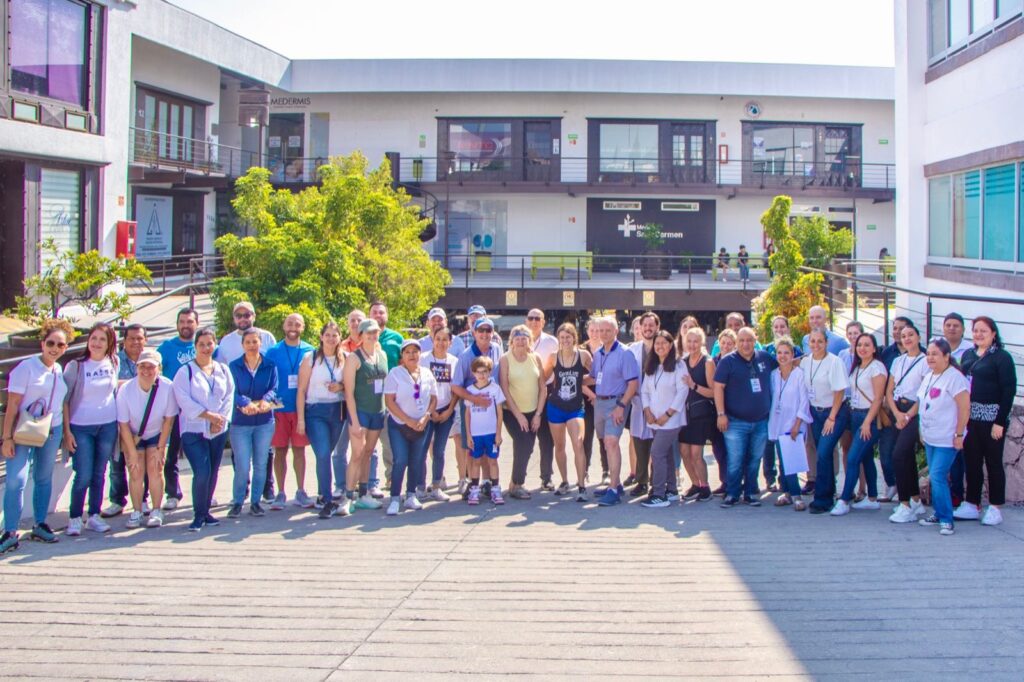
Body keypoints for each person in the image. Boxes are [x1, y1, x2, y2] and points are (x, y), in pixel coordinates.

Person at [1, 319, 72, 553]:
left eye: (60, 345)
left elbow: (62, 403)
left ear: (65, 348)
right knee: (16, 480)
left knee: (43, 477)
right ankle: (10, 531)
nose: (55, 348)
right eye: (51, 343)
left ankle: (40, 524)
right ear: (42, 343)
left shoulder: (58, 369)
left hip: (51, 430)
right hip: (23, 430)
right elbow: (12, 405)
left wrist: (66, 432)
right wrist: (6, 438)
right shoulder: (26, 368)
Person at [955, 317, 1018, 526]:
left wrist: (1000, 421)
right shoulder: (968, 354)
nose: (979, 334)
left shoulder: (1002, 357)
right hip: (970, 419)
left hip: (992, 420)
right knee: (972, 462)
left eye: (984, 331)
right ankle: (972, 504)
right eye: (976, 330)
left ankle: (995, 507)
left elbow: (1009, 390)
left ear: (993, 333)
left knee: (993, 463)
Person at [172, 328, 234, 532]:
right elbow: (183, 399)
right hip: (194, 429)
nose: (206, 348)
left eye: (209, 344)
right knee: (202, 471)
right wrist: (209, 416)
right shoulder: (185, 372)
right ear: (195, 346)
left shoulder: (223, 369)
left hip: (218, 429)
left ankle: (206, 511)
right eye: (202, 344)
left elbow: (229, 396)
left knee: (213, 470)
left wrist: (220, 419)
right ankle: (198, 515)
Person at [62, 322, 120, 536]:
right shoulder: (76, 366)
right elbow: (65, 401)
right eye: (93, 338)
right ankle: (75, 516)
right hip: (81, 427)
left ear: (109, 343)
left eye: (102, 339)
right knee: (83, 474)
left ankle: (94, 515)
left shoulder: (114, 362)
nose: (97, 343)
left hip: (107, 425)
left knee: (99, 473)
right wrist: (67, 432)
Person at [217, 301, 278, 502]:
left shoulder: (267, 337)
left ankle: (266, 490)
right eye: (239, 315)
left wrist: (265, 401)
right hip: (240, 410)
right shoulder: (226, 342)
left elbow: (272, 378)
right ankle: (241, 492)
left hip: (263, 411)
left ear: (254, 316)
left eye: (247, 314)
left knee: (264, 455)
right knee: (241, 459)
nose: (243, 318)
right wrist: (243, 402)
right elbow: (224, 377)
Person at [713, 327, 777, 508]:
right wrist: (721, 414)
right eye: (741, 340)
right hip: (735, 422)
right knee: (735, 460)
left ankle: (750, 493)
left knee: (755, 459)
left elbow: (784, 367)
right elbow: (718, 387)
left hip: (761, 421)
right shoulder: (727, 361)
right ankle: (732, 494)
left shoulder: (765, 358)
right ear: (737, 342)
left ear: (755, 341)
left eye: (749, 340)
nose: (745, 344)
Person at [115, 349, 178, 529]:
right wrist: (132, 452)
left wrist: (161, 448)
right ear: (137, 368)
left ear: (159, 368)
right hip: (133, 434)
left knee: (155, 469)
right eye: (142, 366)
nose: (146, 371)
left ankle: (156, 510)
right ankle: (136, 511)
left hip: (157, 432)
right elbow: (123, 424)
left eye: (151, 367)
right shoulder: (126, 389)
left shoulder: (167, 387)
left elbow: (169, 420)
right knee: (135, 471)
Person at [916, 339, 971, 536]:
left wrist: (959, 434)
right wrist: (922, 430)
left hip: (948, 438)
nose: (930, 357)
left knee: (938, 475)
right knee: (935, 475)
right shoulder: (929, 376)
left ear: (946, 356)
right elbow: (923, 404)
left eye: (935, 354)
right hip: (931, 436)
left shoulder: (955, 378)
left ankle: (947, 519)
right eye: (928, 354)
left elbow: (964, 408)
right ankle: (938, 513)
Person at [830, 333, 887, 516]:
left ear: (874, 348)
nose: (862, 348)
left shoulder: (877, 368)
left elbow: (878, 398)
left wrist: (867, 422)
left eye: (867, 345)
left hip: (868, 417)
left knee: (853, 458)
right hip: (855, 415)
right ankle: (872, 498)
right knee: (866, 457)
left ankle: (844, 499)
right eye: (859, 345)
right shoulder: (858, 366)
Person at [297, 321, 347, 518]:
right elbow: (301, 390)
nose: (331, 339)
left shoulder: (345, 358)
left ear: (340, 337)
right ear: (321, 337)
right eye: (327, 335)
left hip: (337, 411)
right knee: (323, 453)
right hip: (315, 411)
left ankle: (321, 493)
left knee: (327, 453)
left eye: (335, 335)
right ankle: (327, 499)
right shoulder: (310, 358)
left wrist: (340, 386)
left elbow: (350, 384)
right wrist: (301, 419)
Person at [264, 313, 315, 510]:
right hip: (279, 409)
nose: (293, 327)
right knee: (280, 450)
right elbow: (267, 379)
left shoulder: (310, 350)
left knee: (300, 450)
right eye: (290, 323)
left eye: (297, 324)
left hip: (301, 408)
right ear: (284, 326)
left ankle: (301, 491)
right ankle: (280, 492)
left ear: (303, 327)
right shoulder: (273, 351)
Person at [227, 330, 279, 518]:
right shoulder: (234, 366)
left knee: (260, 463)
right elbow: (231, 391)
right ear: (242, 344)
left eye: (254, 342)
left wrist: (266, 400)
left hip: (264, 421)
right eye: (248, 342)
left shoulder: (270, 365)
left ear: (260, 343)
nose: (251, 345)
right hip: (240, 422)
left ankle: (256, 502)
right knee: (242, 465)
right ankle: (238, 501)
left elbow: (274, 388)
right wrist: (244, 403)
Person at [383, 340, 438, 514]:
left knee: (417, 460)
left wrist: (426, 417)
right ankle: (394, 498)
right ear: (402, 355)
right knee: (400, 460)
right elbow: (389, 401)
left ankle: (411, 495)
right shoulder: (395, 373)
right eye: (407, 352)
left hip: (421, 424)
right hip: (399, 424)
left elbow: (433, 398)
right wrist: (407, 420)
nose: (412, 355)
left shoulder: (427, 373)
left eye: (415, 351)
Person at [452, 317, 504, 497]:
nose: (484, 334)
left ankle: (487, 482)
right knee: (472, 446)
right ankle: (472, 483)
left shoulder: (496, 349)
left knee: (490, 446)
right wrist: (474, 399)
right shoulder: (466, 355)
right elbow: (456, 386)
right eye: (481, 330)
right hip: (472, 405)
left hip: (492, 405)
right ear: (474, 333)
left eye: (488, 330)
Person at [591, 316, 640, 507]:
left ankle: (613, 490)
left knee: (611, 442)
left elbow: (633, 384)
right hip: (600, 403)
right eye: (600, 330)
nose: (603, 334)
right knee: (606, 443)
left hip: (616, 403)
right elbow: (594, 377)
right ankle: (616, 483)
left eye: (607, 330)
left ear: (616, 331)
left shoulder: (625, 353)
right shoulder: (598, 353)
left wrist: (621, 406)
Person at [802, 329, 852, 515]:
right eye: (812, 341)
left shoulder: (834, 362)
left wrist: (832, 417)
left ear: (826, 343)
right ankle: (829, 494)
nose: (816, 345)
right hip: (815, 412)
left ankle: (821, 499)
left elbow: (839, 391)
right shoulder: (806, 362)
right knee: (823, 454)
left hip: (834, 412)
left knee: (823, 453)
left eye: (820, 341)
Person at [881, 324, 930, 512]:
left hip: (913, 411)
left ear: (918, 337)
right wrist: (896, 413)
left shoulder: (925, 361)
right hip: (897, 410)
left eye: (910, 335)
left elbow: (924, 394)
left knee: (899, 454)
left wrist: (908, 415)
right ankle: (915, 500)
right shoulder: (898, 361)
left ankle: (904, 503)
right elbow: (889, 390)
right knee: (907, 456)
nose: (907, 338)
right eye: (903, 336)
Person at [156, 308, 199, 512]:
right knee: (171, 453)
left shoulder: (204, 345)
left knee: (199, 453)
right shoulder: (166, 347)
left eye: (189, 321)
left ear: (196, 324)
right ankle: (173, 493)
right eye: (182, 321)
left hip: (198, 409)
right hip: (173, 408)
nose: (185, 325)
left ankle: (204, 491)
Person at [544, 323, 593, 502]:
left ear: (574, 338)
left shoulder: (583, 355)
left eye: (568, 337)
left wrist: (581, 381)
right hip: (556, 406)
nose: (565, 340)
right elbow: (543, 378)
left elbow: (595, 375)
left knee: (578, 443)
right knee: (559, 446)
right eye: (562, 337)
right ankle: (564, 481)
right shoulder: (553, 357)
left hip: (575, 407)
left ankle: (581, 486)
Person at [343, 319, 389, 511]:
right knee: (357, 453)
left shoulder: (382, 355)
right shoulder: (354, 358)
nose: (372, 335)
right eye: (368, 332)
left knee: (368, 453)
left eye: (375, 332)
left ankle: (363, 494)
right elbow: (348, 392)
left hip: (377, 411)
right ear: (361, 335)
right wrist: (354, 421)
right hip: (360, 412)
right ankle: (347, 497)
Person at [104, 323, 148, 518]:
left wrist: (128, 385)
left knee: (143, 464)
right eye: (131, 338)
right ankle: (117, 500)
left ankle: (143, 499)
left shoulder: (150, 359)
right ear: (124, 340)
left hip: (144, 422)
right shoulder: (114, 361)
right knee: (117, 463)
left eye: (139, 338)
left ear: (145, 340)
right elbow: (111, 386)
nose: (135, 342)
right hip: (118, 421)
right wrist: (138, 383)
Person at [640, 330, 688, 508]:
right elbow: (644, 391)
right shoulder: (652, 365)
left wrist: (667, 414)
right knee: (666, 453)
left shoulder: (679, 365)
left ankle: (659, 494)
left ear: (670, 345)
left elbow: (682, 392)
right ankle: (672, 490)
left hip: (671, 420)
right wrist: (647, 411)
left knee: (657, 453)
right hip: (654, 420)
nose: (660, 346)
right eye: (657, 343)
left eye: (664, 343)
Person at [499, 325, 548, 499]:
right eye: (517, 338)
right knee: (524, 443)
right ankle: (518, 484)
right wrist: (518, 415)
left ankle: (514, 483)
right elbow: (505, 389)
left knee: (526, 448)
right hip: (512, 412)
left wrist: (538, 414)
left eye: (524, 338)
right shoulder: (505, 359)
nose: (520, 342)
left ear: (529, 340)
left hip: (533, 411)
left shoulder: (535, 358)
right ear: (511, 341)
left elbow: (542, 388)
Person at [768, 338, 813, 511]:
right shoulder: (774, 375)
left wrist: (797, 424)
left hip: (794, 423)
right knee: (782, 459)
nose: (783, 356)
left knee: (790, 460)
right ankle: (786, 493)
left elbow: (804, 401)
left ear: (793, 354)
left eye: (786, 352)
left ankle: (796, 496)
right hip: (777, 421)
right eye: (779, 353)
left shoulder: (799, 374)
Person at [420, 326, 460, 502]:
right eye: (438, 339)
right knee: (421, 449)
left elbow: (456, 388)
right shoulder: (423, 359)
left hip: (446, 410)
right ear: (432, 340)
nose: (441, 343)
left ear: (450, 343)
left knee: (439, 450)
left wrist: (449, 410)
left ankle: (437, 485)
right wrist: (430, 410)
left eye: (445, 339)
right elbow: (418, 386)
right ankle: (419, 487)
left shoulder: (454, 361)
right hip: (426, 410)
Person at [369, 301, 403, 493]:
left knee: (389, 440)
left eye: (381, 312)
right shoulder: (363, 336)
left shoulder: (396, 338)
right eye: (374, 312)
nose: (378, 315)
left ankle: (391, 477)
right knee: (368, 442)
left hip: (391, 396)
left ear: (387, 316)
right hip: (367, 396)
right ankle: (368, 481)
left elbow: (403, 364)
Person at [679, 328, 716, 501]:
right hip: (684, 414)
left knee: (696, 454)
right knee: (684, 452)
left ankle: (705, 487)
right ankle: (695, 484)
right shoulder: (682, 362)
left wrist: (693, 385)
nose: (692, 345)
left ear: (701, 342)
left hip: (701, 414)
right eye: (689, 341)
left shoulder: (707, 362)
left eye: (695, 341)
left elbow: (713, 392)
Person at [525, 309, 559, 491]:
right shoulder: (519, 339)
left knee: (546, 439)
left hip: (547, 392)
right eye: (531, 318)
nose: (534, 321)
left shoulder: (551, 342)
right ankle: (518, 478)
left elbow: (558, 367)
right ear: (526, 321)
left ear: (543, 322)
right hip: (525, 394)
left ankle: (546, 477)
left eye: (537, 318)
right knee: (525, 439)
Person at [464, 356, 506, 505]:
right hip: (476, 433)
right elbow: (467, 414)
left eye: (485, 372)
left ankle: (495, 488)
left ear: (489, 372)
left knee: (492, 461)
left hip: (491, 432)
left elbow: (499, 412)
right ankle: (474, 489)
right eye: (478, 372)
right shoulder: (470, 390)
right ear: (473, 373)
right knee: (476, 461)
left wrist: (498, 433)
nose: (481, 375)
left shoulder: (495, 389)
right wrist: (468, 434)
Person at [626, 312, 659, 497]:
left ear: (657, 327)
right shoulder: (633, 349)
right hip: (638, 403)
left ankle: (656, 482)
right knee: (639, 443)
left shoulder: (663, 346)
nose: (647, 328)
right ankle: (641, 481)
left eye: (651, 325)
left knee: (656, 445)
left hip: (658, 404)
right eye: (644, 325)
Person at [580, 318, 609, 486]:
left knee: (604, 437)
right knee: (586, 437)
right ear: (587, 331)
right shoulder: (580, 351)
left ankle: (606, 471)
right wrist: (592, 396)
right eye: (592, 330)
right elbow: (577, 378)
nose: (595, 333)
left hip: (605, 400)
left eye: (598, 330)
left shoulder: (607, 350)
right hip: (586, 401)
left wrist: (599, 398)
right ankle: (584, 471)